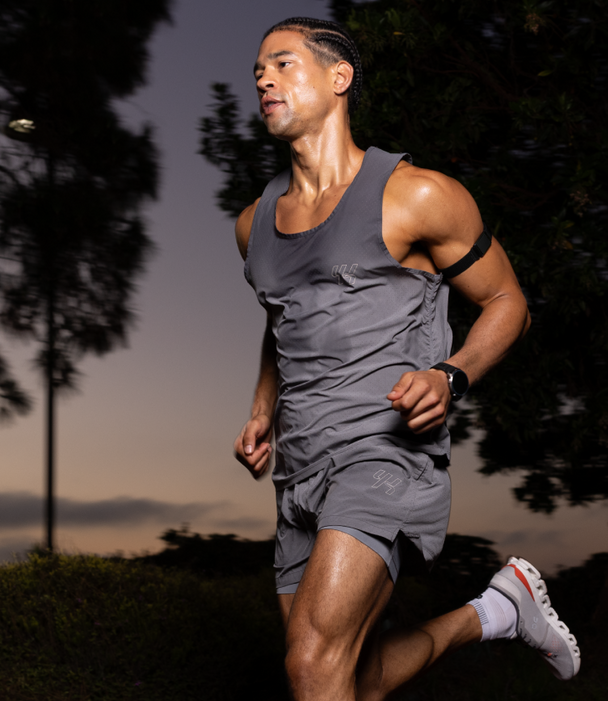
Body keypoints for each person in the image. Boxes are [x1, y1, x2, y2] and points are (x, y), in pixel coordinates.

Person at [230, 17, 580, 700]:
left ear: (339, 77)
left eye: (282, 63)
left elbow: (508, 301)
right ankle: (496, 611)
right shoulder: (252, 225)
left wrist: (451, 375)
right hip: (297, 468)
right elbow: (281, 319)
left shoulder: (416, 195)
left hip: (383, 452)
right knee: (348, 680)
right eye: (257, 71)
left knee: (311, 664)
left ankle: (497, 610)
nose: (264, 78)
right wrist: (262, 407)